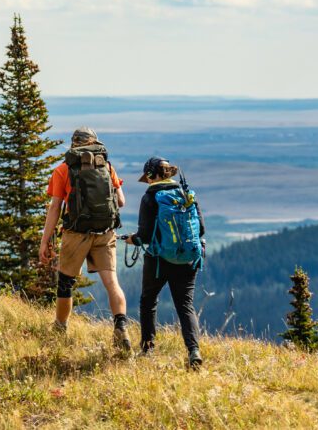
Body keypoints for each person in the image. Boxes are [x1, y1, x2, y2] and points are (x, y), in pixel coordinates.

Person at [39, 127, 131, 350]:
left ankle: (60, 328)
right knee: (112, 283)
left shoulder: (63, 169)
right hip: (105, 232)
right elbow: (121, 202)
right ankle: (121, 326)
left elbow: (54, 209)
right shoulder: (106, 166)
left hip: (76, 234)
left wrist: (45, 241)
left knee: (66, 283)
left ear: (74, 144)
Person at [126, 157, 205, 367]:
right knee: (185, 305)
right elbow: (202, 230)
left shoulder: (150, 198)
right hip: (188, 259)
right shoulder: (186, 194)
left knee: (148, 301)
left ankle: (148, 348)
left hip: (159, 261)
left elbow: (144, 235)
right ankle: (193, 350)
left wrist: (132, 239)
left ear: (152, 175)